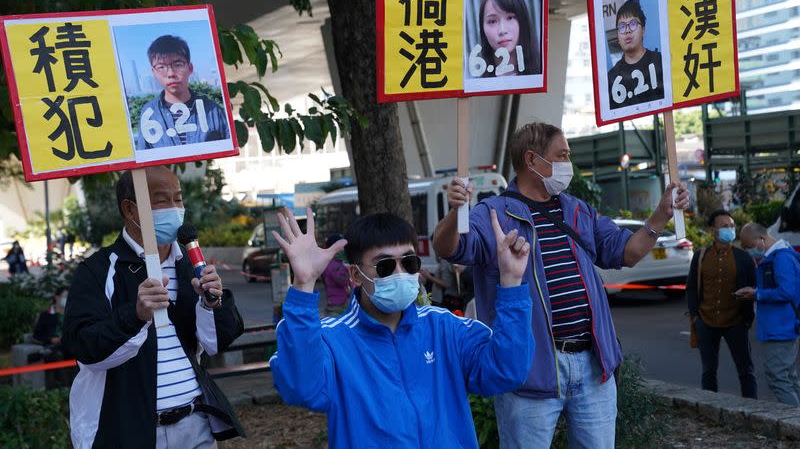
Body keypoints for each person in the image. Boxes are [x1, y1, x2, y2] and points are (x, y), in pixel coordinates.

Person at [433, 121, 689, 448]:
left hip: (592, 367)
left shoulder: (576, 209)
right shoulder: (494, 214)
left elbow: (627, 252)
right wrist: (457, 214)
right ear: (532, 160)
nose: (569, 163)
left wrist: (661, 215)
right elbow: (448, 248)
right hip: (529, 372)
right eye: (562, 154)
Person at [269, 209, 535, 448]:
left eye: (409, 262)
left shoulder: (444, 328)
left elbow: (506, 372)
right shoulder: (331, 339)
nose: (399, 273)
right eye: (385, 266)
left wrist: (511, 284)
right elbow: (302, 389)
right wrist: (303, 284)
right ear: (354, 275)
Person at [63, 166, 245, 448]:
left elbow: (215, 343)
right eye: (161, 200)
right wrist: (135, 315)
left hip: (195, 423)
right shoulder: (98, 269)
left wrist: (212, 303)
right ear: (130, 210)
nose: (174, 209)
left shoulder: (187, 264)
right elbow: (85, 348)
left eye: (178, 199)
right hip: (128, 431)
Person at [686, 209, 757, 398]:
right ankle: (711, 408)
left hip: (736, 322)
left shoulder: (744, 258)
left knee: (746, 371)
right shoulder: (700, 257)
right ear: (713, 231)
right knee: (708, 371)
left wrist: (747, 320)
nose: (730, 229)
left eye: (732, 226)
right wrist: (695, 316)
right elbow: (691, 288)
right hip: (706, 322)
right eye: (724, 226)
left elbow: (754, 288)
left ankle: (752, 410)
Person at [737, 222, 800, 405]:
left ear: (762, 239)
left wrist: (757, 294)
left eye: (750, 246)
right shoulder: (776, 257)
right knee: (788, 377)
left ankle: (793, 425)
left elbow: (786, 291)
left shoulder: (781, 258)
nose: (751, 252)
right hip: (781, 325)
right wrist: (756, 291)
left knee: (778, 378)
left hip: (780, 327)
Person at [137, 35, 230, 149]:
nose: (171, 73)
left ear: (190, 68)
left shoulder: (213, 110)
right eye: (161, 67)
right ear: (154, 73)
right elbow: (144, 158)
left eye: (178, 64)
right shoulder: (149, 114)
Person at [606, 0, 664, 110]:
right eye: (622, 27)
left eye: (633, 24)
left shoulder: (660, 61)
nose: (627, 31)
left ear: (643, 30)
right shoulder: (612, 77)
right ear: (618, 36)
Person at [478, 0, 541, 77]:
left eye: (510, 18)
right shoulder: (475, 84)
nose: (502, 30)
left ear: (523, 20)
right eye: (492, 21)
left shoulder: (541, 75)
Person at [321, 233, 350, 316]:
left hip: (337, 302)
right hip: (337, 305)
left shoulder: (334, 262)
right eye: (342, 246)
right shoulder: (333, 264)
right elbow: (342, 281)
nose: (344, 249)